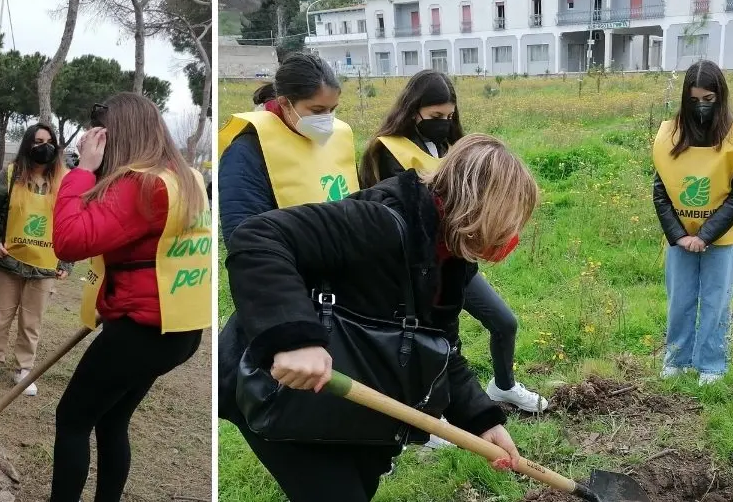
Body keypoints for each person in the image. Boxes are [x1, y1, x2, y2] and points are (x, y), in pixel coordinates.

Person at [219, 134, 535, 501]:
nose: (511, 237)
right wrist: (294, 338)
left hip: (354, 400)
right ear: (478, 209)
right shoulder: (379, 222)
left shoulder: (452, 256)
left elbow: (441, 347)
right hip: (279, 386)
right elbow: (259, 236)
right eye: (508, 223)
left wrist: (484, 420)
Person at [49, 93, 210, 502]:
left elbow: (69, 241)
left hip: (142, 332)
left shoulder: (142, 184)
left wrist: (83, 170)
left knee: (72, 418)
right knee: (112, 419)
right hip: (179, 327)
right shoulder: (183, 176)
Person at [358, 70, 547, 417]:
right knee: (432, 338)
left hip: (455, 255)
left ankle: (502, 386)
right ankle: (429, 412)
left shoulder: (451, 146)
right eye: (435, 117)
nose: (444, 123)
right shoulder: (390, 152)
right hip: (418, 265)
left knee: (503, 322)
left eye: (449, 116)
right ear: (413, 110)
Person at [652, 59, 733, 386]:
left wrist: (707, 235)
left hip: (723, 238)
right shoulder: (669, 136)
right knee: (681, 299)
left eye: (708, 99)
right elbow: (660, 192)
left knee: (717, 300)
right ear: (686, 98)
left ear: (721, 96)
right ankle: (677, 359)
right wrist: (679, 236)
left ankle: (712, 364)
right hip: (680, 238)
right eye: (694, 99)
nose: (701, 106)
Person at [0, 123, 73, 394]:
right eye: (38, 141)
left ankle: (24, 369)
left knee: (32, 321)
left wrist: (67, 262)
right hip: (8, 261)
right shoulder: (11, 174)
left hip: (44, 266)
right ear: (28, 144)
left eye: (49, 141)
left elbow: (71, 221)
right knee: (1, 316)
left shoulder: (66, 180)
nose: (44, 146)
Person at [217, 52, 357, 243]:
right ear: (285, 103)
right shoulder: (246, 152)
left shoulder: (339, 136)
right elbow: (247, 241)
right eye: (317, 111)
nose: (327, 119)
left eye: (332, 110)